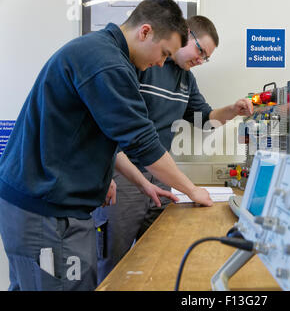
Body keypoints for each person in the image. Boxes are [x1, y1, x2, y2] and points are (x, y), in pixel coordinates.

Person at [0, 0, 212, 291]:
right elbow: (142, 141)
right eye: (163, 53)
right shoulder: (107, 62)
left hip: (33, 204)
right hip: (47, 212)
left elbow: (109, 137)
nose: (161, 63)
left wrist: (141, 183)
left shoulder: (101, 51)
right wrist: (192, 190)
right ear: (145, 32)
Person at [93, 15, 254, 284]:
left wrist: (233, 110)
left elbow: (207, 120)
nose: (200, 61)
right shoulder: (142, 62)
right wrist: (107, 171)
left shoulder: (186, 79)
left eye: (206, 58)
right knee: (113, 262)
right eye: (200, 51)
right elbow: (108, 123)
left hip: (161, 176)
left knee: (158, 254)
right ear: (184, 34)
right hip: (124, 176)